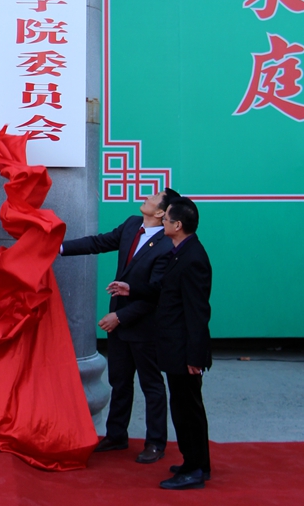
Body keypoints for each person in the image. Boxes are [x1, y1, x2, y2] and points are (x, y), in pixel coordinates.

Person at [60, 189, 174, 463]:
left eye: (155, 197)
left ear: (161, 213)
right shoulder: (132, 224)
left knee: (151, 386)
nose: (148, 197)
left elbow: (155, 294)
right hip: (120, 323)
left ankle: (156, 443)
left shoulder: (167, 246)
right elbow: (100, 242)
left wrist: (120, 318)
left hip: (143, 326)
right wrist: (60, 247)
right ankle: (116, 435)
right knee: (119, 381)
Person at [112, 194, 212, 491]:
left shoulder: (193, 258)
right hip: (174, 347)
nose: (162, 222)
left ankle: (195, 469)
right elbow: (159, 289)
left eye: (166, 219)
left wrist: (196, 356)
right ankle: (195, 462)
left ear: (177, 225)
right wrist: (130, 288)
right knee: (183, 408)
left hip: (185, 351)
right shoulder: (180, 252)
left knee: (187, 410)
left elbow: (198, 312)